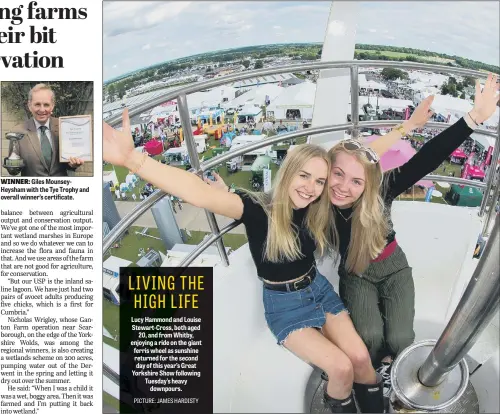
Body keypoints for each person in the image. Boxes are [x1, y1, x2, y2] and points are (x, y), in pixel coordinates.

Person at [103, 111, 385, 413]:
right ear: (288, 172)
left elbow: (360, 169)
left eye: (319, 181)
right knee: (341, 368)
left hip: (318, 289)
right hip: (285, 307)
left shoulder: (316, 210)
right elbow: (197, 193)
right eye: (304, 176)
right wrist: (134, 160)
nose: (310, 187)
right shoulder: (258, 211)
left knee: (360, 359)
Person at [326, 73, 499, 400]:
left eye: (356, 181)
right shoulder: (320, 207)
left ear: (369, 183)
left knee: (403, 337)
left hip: (392, 267)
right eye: (337, 175)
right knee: (371, 337)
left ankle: (396, 372)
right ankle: (378, 374)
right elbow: (280, 205)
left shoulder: (381, 191)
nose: (344, 187)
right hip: (356, 274)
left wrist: (473, 118)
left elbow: (427, 158)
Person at [11, 84, 85, 177]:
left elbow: (69, 163)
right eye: (37, 104)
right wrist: (12, 167)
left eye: (46, 104)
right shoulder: (17, 132)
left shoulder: (64, 127)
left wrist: (73, 164)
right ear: (29, 106)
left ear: (52, 106)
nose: (42, 110)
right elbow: (13, 170)